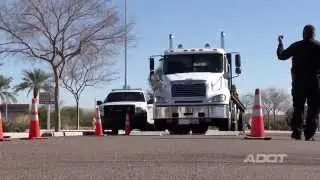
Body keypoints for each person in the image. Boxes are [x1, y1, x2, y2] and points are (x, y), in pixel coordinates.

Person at [277, 24, 320, 141]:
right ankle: (310, 133)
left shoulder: (297, 46)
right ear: (314, 34)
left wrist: (280, 44)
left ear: (303, 33)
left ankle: (297, 132)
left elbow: (281, 56)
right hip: (316, 82)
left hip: (299, 82)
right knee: (314, 108)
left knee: (298, 108)